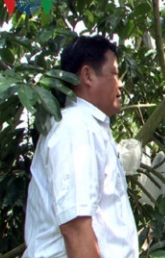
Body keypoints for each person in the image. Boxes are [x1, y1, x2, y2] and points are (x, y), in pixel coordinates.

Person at [23, 35, 139, 257]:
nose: (121, 83)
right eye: (115, 74)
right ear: (87, 75)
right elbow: (75, 228)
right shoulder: (76, 127)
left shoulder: (90, 128)